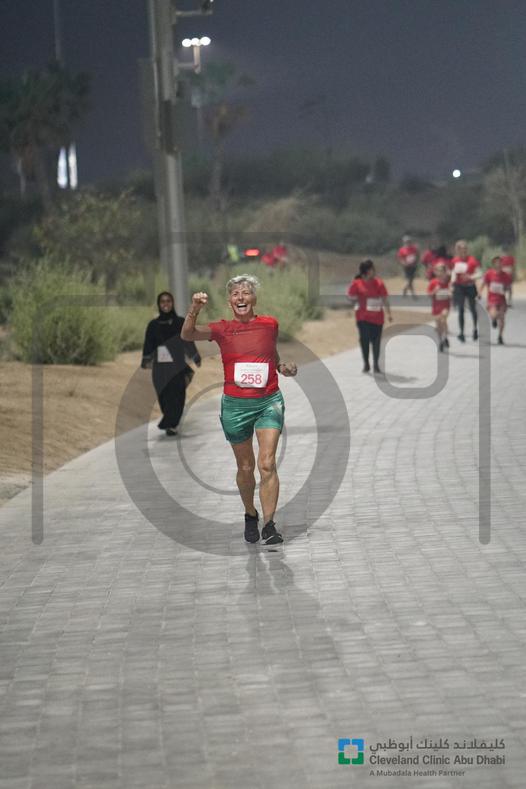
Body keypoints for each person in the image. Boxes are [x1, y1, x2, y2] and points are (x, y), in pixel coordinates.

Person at [181, 275, 297, 545]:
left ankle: (269, 525)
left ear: (254, 298)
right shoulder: (222, 329)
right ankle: (250, 513)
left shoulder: (269, 324)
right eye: (235, 294)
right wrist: (194, 309)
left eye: (246, 292)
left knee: (267, 463)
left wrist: (282, 367)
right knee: (245, 467)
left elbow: (270, 353)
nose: (241, 297)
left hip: (268, 400)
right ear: (229, 301)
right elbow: (187, 334)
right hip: (235, 405)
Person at [141, 291, 202, 436]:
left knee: (177, 395)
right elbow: (148, 344)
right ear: (159, 304)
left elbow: (187, 340)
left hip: (177, 366)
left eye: (168, 301)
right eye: (162, 301)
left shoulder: (180, 322)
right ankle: (169, 419)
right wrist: (146, 359)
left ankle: (172, 424)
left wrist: (195, 356)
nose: (165, 304)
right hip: (160, 368)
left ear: (172, 303)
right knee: (163, 396)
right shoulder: (153, 325)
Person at [347, 259, 393, 374]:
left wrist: (389, 313)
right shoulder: (356, 283)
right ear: (367, 271)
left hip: (377, 318)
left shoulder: (379, 283)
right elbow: (350, 298)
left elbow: (385, 299)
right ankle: (366, 363)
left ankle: (376, 364)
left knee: (376, 342)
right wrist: (354, 300)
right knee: (364, 340)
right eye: (373, 268)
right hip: (362, 318)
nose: (375, 270)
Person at [450, 239, 481, 342]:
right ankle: (461, 333)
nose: (463, 251)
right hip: (459, 287)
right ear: (457, 250)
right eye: (460, 249)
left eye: (465, 249)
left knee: (472, 308)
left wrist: (471, 277)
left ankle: (475, 329)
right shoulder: (455, 261)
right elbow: (453, 273)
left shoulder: (472, 260)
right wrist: (452, 282)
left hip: (470, 286)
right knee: (461, 309)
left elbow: (479, 273)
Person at [479, 256, 512, 345]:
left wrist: (509, 300)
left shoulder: (506, 275)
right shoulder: (489, 274)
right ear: (493, 264)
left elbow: (509, 289)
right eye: (497, 262)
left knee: (502, 318)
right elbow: (483, 284)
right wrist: (479, 293)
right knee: (494, 314)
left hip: (502, 300)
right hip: (492, 300)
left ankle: (500, 336)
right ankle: (493, 320)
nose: (499, 264)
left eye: (500, 262)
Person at [427, 263, 452, 351]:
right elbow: (429, 295)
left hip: (445, 306)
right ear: (435, 272)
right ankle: (441, 341)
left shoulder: (448, 283)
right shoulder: (433, 282)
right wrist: (435, 291)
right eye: (438, 271)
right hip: (436, 306)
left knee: (443, 319)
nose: (440, 273)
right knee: (438, 325)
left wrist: (450, 293)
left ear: (445, 272)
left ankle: (445, 337)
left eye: (442, 271)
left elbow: (452, 293)